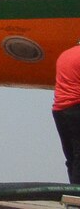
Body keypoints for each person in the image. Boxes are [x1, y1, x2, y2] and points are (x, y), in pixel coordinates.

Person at [56, 37, 80, 186]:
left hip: (59, 109)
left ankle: (73, 193)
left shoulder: (64, 55)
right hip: (76, 108)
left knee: (71, 155)